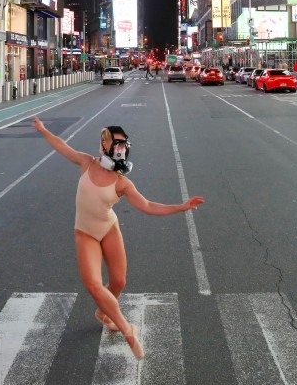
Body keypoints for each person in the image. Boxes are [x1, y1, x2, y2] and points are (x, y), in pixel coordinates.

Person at [30, 117, 204, 361]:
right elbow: (61, 146)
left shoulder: (122, 182)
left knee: (119, 282)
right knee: (93, 284)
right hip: (85, 232)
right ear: (104, 144)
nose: (120, 148)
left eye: (123, 144)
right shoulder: (86, 163)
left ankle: (104, 313)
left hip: (109, 228)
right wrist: (43, 130)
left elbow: (148, 206)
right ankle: (127, 330)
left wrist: (182, 207)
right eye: (116, 143)